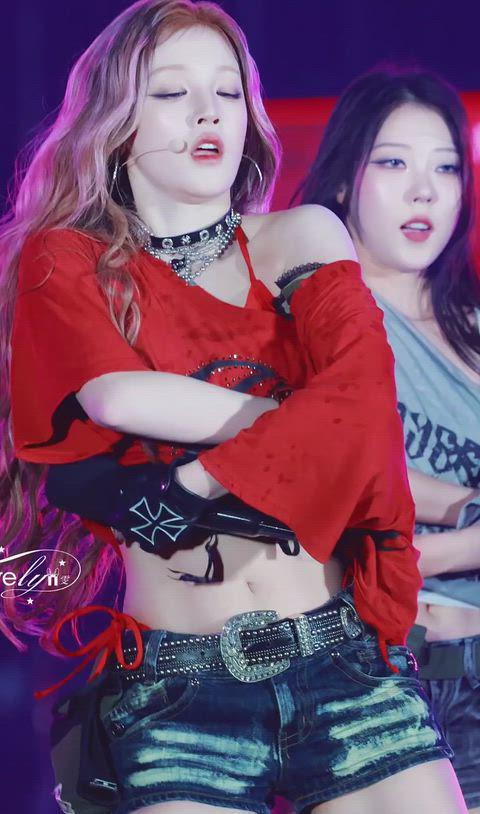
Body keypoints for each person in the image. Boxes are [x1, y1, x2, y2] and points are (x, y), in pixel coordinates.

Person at [0, 3, 464, 811]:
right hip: (179, 687)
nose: (209, 112)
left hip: (344, 662)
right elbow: (116, 392)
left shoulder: (302, 233)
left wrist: (195, 483)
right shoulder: (68, 260)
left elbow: (366, 416)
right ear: (117, 121)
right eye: (171, 92)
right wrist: (304, 418)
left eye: (227, 91)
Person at [298, 66, 480, 812]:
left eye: (446, 168)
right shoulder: (308, 328)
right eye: (395, 163)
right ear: (345, 179)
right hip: (372, 671)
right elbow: (321, 537)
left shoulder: (475, 333)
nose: (424, 192)